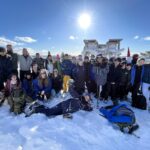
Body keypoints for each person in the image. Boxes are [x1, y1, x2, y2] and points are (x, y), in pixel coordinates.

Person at [25, 90, 93, 118]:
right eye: (86, 96)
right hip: (62, 106)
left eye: (88, 98)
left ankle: (41, 106)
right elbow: (72, 91)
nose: (87, 98)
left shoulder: (84, 105)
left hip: (64, 112)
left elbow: (89, 109)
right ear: (84, 95)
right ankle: (35, 109)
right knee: (49, 113)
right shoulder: (79, 97)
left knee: (51, 113)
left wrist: (90, 107)